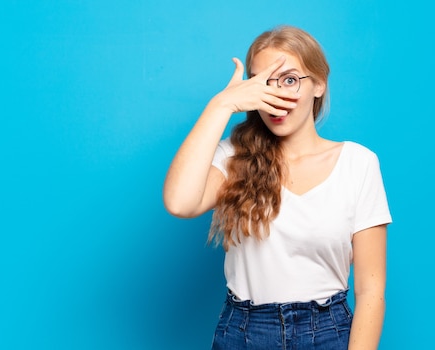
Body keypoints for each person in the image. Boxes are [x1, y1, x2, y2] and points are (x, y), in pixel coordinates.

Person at [163, 25, 392, 350]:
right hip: (243, 332)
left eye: (289, 80)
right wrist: (221, 105)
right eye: (263, 83)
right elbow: (179, 202)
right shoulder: (233, 157)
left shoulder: (358, 163)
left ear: (319, 84)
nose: (277, 96)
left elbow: (371, 290)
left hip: (327, 333)